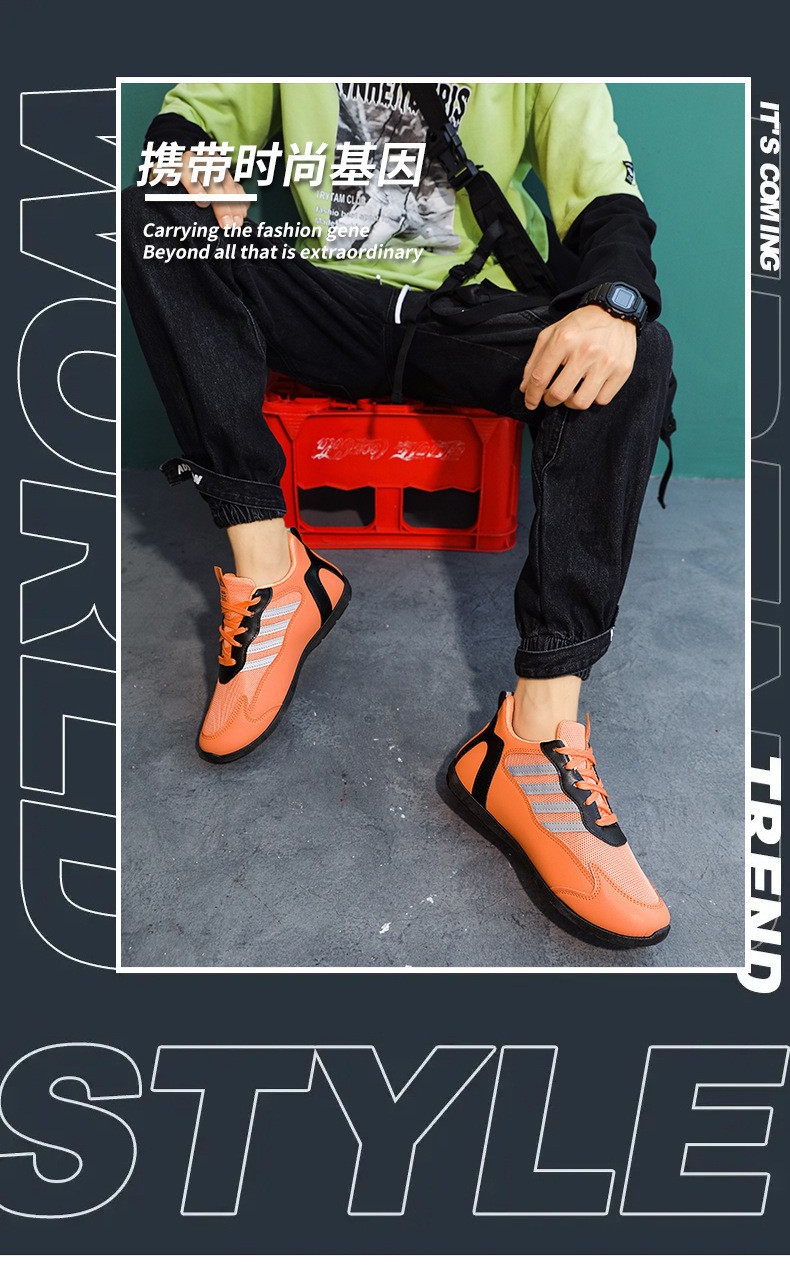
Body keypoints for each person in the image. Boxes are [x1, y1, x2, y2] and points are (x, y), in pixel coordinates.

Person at [122, 81, 675, 948]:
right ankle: (276, 573)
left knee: (635, 353)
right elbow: (197, 110)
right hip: (329, 300)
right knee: (153, 213)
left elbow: (601, 190)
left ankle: (531, 740)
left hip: (471, 308)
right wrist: (185, 155)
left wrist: (615, 302)